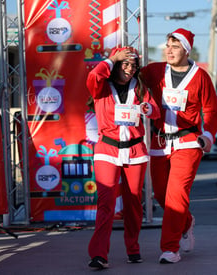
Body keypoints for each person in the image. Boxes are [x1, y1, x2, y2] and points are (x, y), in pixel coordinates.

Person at [140, 28, 217, 264]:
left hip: (188, 142)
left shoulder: (201, 76)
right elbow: (130, 76)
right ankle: (186, 222)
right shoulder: (155, 71)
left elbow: (213, 110)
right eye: (167, 46)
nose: (169, 50)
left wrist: (208, 135)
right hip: (159, 141)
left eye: (175, 46)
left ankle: (169, 248)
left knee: (176, 196)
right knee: (161, 195)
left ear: (186, 49)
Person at [86, 46, 160, 270]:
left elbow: (155, 111)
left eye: (133, 64)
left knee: (134, 203)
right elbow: (93, 76)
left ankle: (133, 248)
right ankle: (99, 254)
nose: (129, 68)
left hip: (135, 151)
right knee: (106, 203)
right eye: (125, 63)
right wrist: (111, 58)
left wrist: (147, 108)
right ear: (116, 64)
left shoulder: (140, 88)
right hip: (107, 151)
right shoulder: (102, 87)